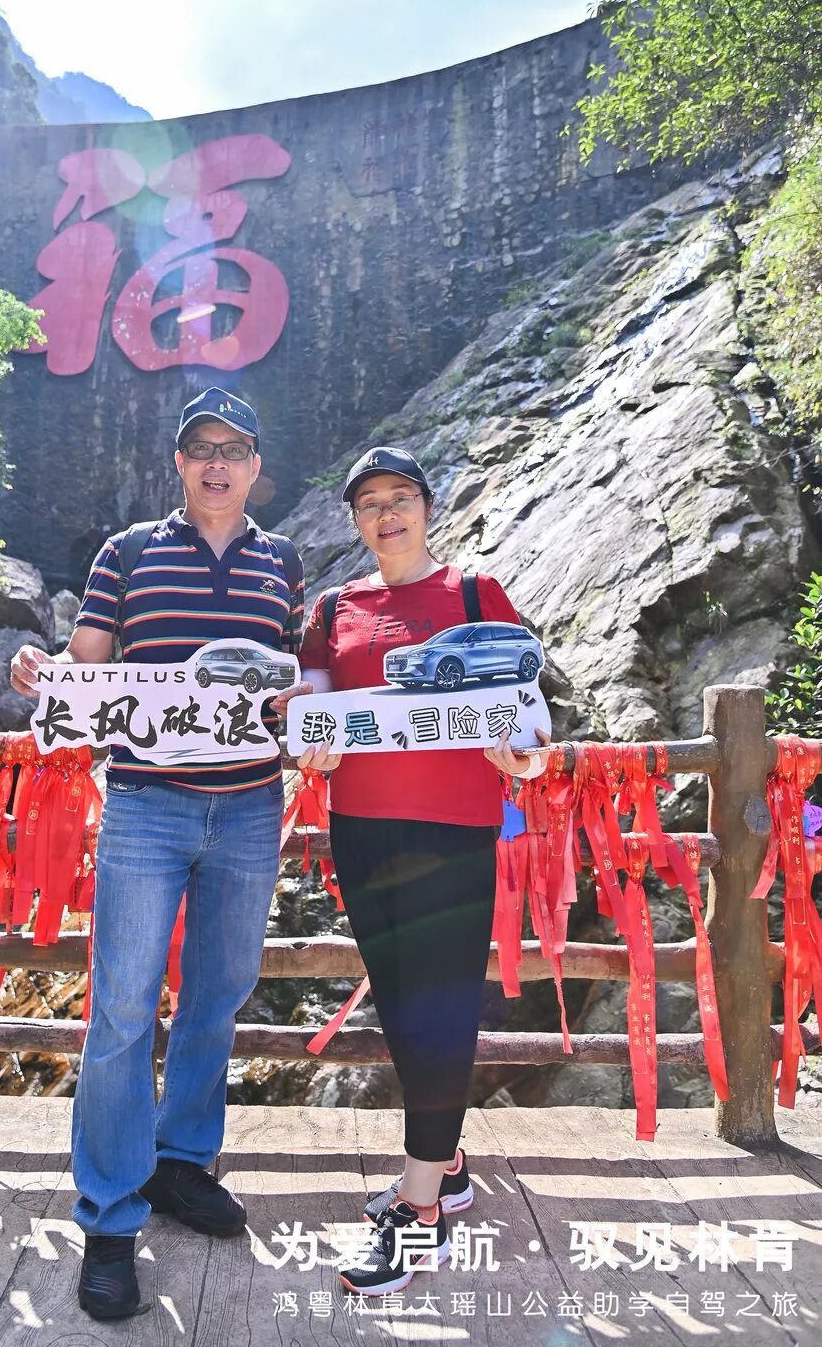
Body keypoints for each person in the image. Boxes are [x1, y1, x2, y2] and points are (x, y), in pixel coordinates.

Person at [10, 387, 304, 1322]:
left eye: (234, 449)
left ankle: (181, 1163)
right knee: (125, 1008)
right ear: (179, 463)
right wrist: (47, 672)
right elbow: (90, 662)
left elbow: (296, 680)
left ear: (256, 466)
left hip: (251, 806)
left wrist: (306, 707)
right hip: (145, 806)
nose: (217, 463)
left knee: (218, 995)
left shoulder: (283, 563)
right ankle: (109, 1214)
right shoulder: (128, 553)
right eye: (200, 448)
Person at [276, 445, 550, 1298]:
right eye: (369, 503)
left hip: (454, 829)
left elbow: (531, 718)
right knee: (399, 1001)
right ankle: (448, 1163)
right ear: (355, 521)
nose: (386, 514)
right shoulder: (333, 609)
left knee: (440, 1008)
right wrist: (308, 743)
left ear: (428, 507)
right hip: (361, 829)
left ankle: (420, 1208)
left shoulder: (474, 595)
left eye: (400, 497)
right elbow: (311, 711)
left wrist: (524, 757)